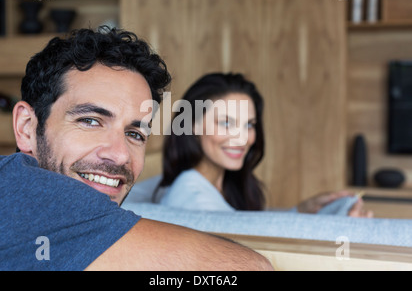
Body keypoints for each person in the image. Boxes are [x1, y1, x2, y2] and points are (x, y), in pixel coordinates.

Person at [0, 27, 273, 271]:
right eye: (90, 120)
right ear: (26, 127)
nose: (119, 155)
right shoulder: (9, 189)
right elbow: (247, 269)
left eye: (134, 133)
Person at [156, 73, 372, 217]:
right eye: (226, 123)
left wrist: (302, 211)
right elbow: (248, 251)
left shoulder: (225, 184)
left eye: (249, 125)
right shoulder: (190, 198)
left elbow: (249, 228)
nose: (242, 139)